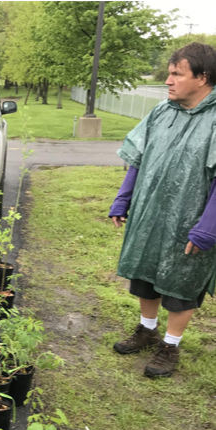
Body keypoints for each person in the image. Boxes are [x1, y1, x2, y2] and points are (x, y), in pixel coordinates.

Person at [109, 42, 215, 378]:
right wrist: (123, 199)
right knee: (145, 272)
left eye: (176, 74)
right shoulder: (162, 112)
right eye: (169, 73)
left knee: (182, 283)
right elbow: (137, 159)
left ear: (202, 78)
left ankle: (170, 345)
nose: (168, 81)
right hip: (150, 210)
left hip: (192, 216)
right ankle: (147, 328)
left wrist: (207, 227)